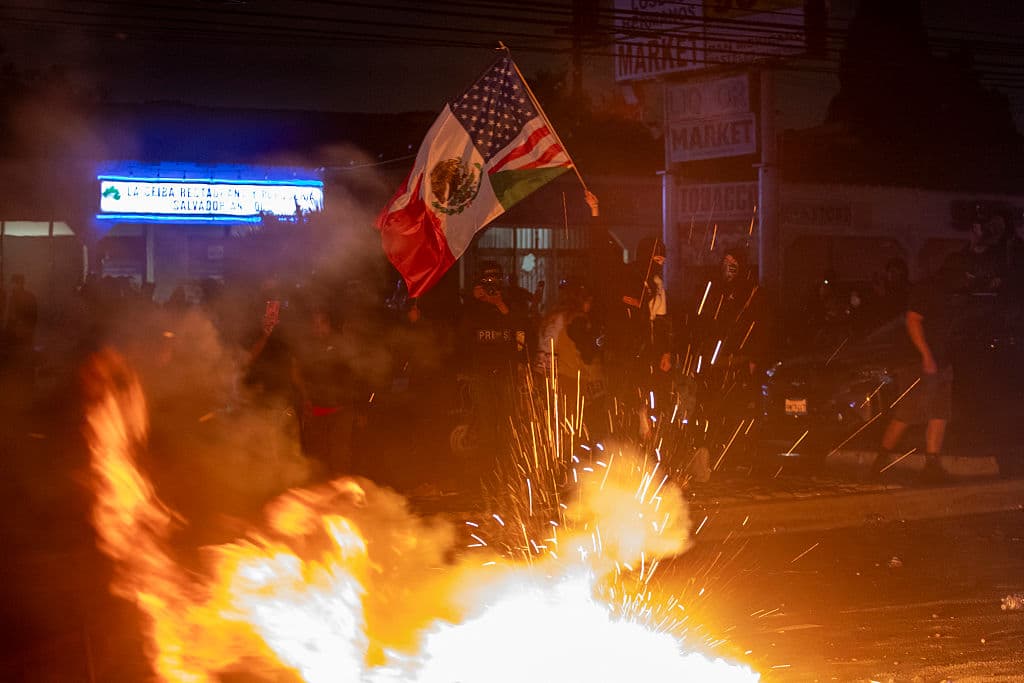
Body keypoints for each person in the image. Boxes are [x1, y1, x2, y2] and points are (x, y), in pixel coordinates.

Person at [873, 253, 971, 482]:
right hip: (917, 363)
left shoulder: (953, 293)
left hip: (941, 362)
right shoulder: (929, 289)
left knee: (939, 412)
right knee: (908, 412)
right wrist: (926, 356)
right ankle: (880, 460)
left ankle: (932, 463)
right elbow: (913, 319)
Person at [294, 307, 358, 477]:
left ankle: (343, 492)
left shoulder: (339, 344)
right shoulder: (308, 347)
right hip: (317, 409)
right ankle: (321, 493)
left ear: (328, 324)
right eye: (314, 324)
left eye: (321, 323)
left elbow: (352, 373)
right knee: (318, 455)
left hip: (341, 409)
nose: (317, 327)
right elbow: (299, 373)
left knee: (340, 455)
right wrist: (306, 398)